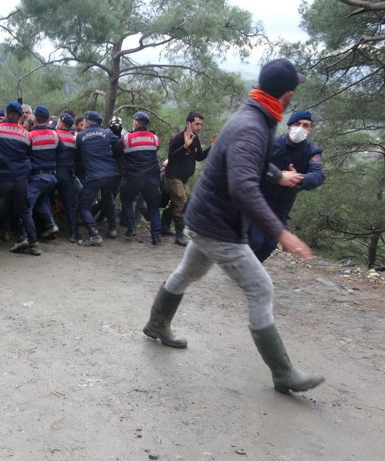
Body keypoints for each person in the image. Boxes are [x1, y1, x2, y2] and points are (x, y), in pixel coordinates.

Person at [141, 59, 324, 394]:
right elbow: (243, 188)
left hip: (205, 216)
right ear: (287, 95)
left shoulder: (253, 114)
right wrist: (281, 233)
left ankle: (156, 324)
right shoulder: (254, 124)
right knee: (261, 288)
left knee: (188, 272)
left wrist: (278, 175)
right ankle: (283, 372)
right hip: (218, 224)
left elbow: (247, 162)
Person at [249, 110, 325, 262]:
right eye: (297, 124)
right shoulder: (271, 144)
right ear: (289, 126)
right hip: (259, 200)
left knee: (269, 245)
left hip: (282, 207)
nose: (300, 128)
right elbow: (254, 163)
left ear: (310, 130)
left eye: (305, 125)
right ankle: (241, 266)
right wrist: (277, 176)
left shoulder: (312, 151)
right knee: (255, 240)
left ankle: (249, 269)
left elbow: (318, 175)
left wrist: (298, 178)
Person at [0, 101, 39, 257]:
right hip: (20, 178)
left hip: (1, 177)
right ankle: (34, 244)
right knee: (24, 210)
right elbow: (29, 153)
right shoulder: (26, 134)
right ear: (20, 117)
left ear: (5, 114)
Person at [162, 111, 215, 245]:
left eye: (201, 124)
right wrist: (184, 146)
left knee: (177, 203)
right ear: (188, 123)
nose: (199, 127)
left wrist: (211, 148)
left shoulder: (195, 139)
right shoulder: (178, 138)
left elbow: (199, 157)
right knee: (182, 203)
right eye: (197, 124)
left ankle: (164, 226)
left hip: (184, 178)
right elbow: (171, 157)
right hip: (173, 177)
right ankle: (180, 236)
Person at [115, 112, 162, 245]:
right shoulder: (155, 138)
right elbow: (155, 149)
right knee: (153, 207)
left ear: (135, 123)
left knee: (126, 199)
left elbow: (115, 151)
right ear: (146, 124)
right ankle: (156, 237)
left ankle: (131, 227)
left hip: (134, 178)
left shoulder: (126, 139)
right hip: (152, 179)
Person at [75, 110, 121, 246]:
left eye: (85, 122)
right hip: (111, 174)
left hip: (94, 175)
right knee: (108, 199)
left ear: (88, 122)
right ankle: (112, 228)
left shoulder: (81, 136)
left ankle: (94, 234)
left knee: (83, 206)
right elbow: (120, 145)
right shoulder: (107, 133)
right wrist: (110, 152)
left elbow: (78, 154)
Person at [26, 105, 60, 240]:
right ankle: (51, 225)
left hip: (37, 177)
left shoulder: (29, 136)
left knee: (26, 206)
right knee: (42, 201)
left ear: (34, 119)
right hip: (51, 177)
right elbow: (62, 151)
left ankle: (27, 236)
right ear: (47, 120)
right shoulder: (55, 135)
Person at [55, 113, 81, 242]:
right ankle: (73, 234)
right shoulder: (73, 138)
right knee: (70, 205)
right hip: (68, 174)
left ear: (60, 123)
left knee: (46, 201)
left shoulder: (54, 134)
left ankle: (46, 229)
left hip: (54, 171)